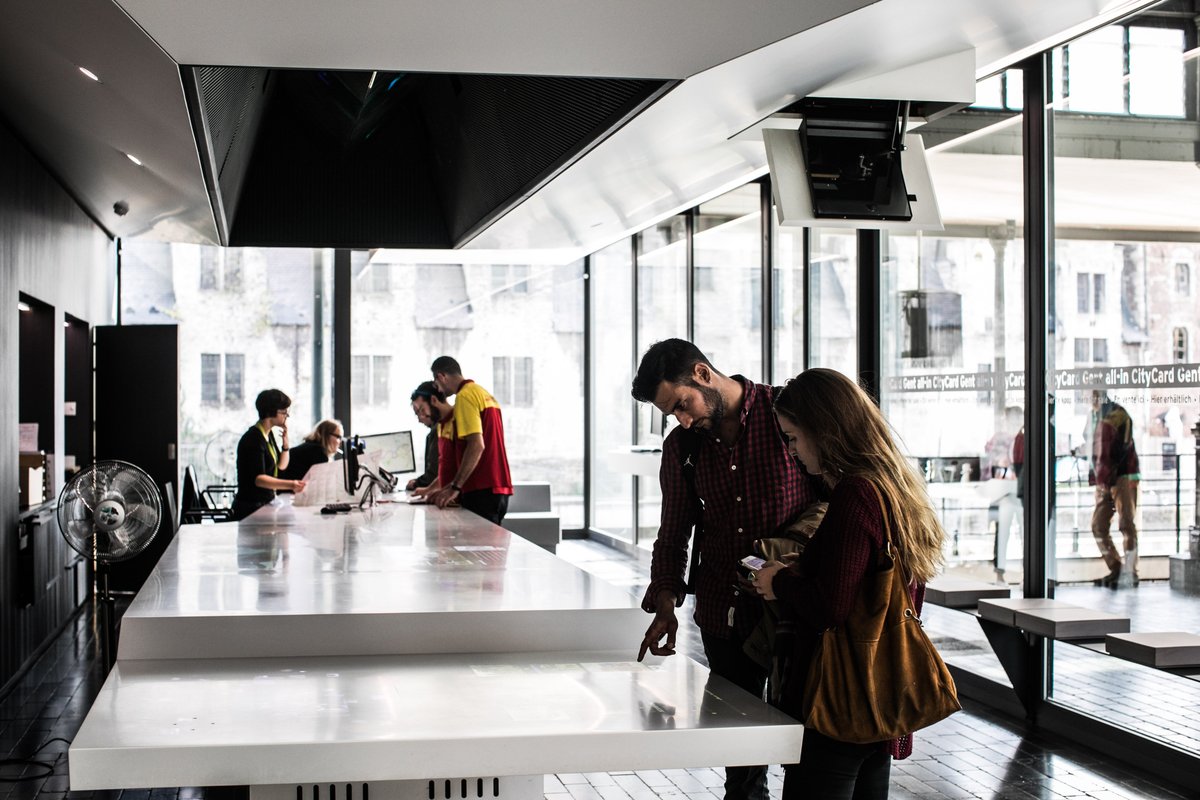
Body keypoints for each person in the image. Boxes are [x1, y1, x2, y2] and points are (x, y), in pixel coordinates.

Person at [631, 338, 818, 800]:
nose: (683, 419)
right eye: (672, 414)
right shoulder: (682, 448)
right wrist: (666, 602)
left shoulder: (786, 415)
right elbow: (673, 530)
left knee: (811, 742)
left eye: (682, 405)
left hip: (798, 610)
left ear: (702, 373)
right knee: (742, 753)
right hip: (723, 613)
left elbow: (838, 495)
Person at [752, 368, 946, 800]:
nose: (793, 451)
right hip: (878, 694)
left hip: (839, 700)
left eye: (795, 438)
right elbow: (876, 578)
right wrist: (813, 564)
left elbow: (830, 607)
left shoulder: (854, 494)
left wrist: (778, 582)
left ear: (825, 430)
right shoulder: (892, 486)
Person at [425, 356, 513, 524]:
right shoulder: (484, 394)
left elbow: (476, 445)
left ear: (442, 376)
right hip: (499, 487)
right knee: (490, 549)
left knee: (478, 548)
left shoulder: (464, 397)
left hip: (481, 488)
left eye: (437, 385)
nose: (440, 391)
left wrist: (455, 487)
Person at [1087, 390, 1140, 588]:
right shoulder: (1096, 416)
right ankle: (1117, 568)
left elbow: (1120, 448)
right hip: (1105, 479)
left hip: (1122, 476)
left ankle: (1130, 572)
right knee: (1098, 526)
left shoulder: (1118, 415)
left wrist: (1106, 476)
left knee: (1126, 523)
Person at [231, 389, 306, 520]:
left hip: (264, 504)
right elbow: (259, 479)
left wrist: (286, 444)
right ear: (271, 412)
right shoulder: (253, 439)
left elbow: (281, 466)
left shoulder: (268, 435)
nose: (287, 416)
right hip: (251, 507)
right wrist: (291, 485)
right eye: (284, 412)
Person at [407, 381, 446, 492]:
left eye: (421, 410)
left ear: (434, 401)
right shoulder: (441, 428)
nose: (420, 418)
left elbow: (433, 474)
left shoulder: (438, 430)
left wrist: (416, 483)